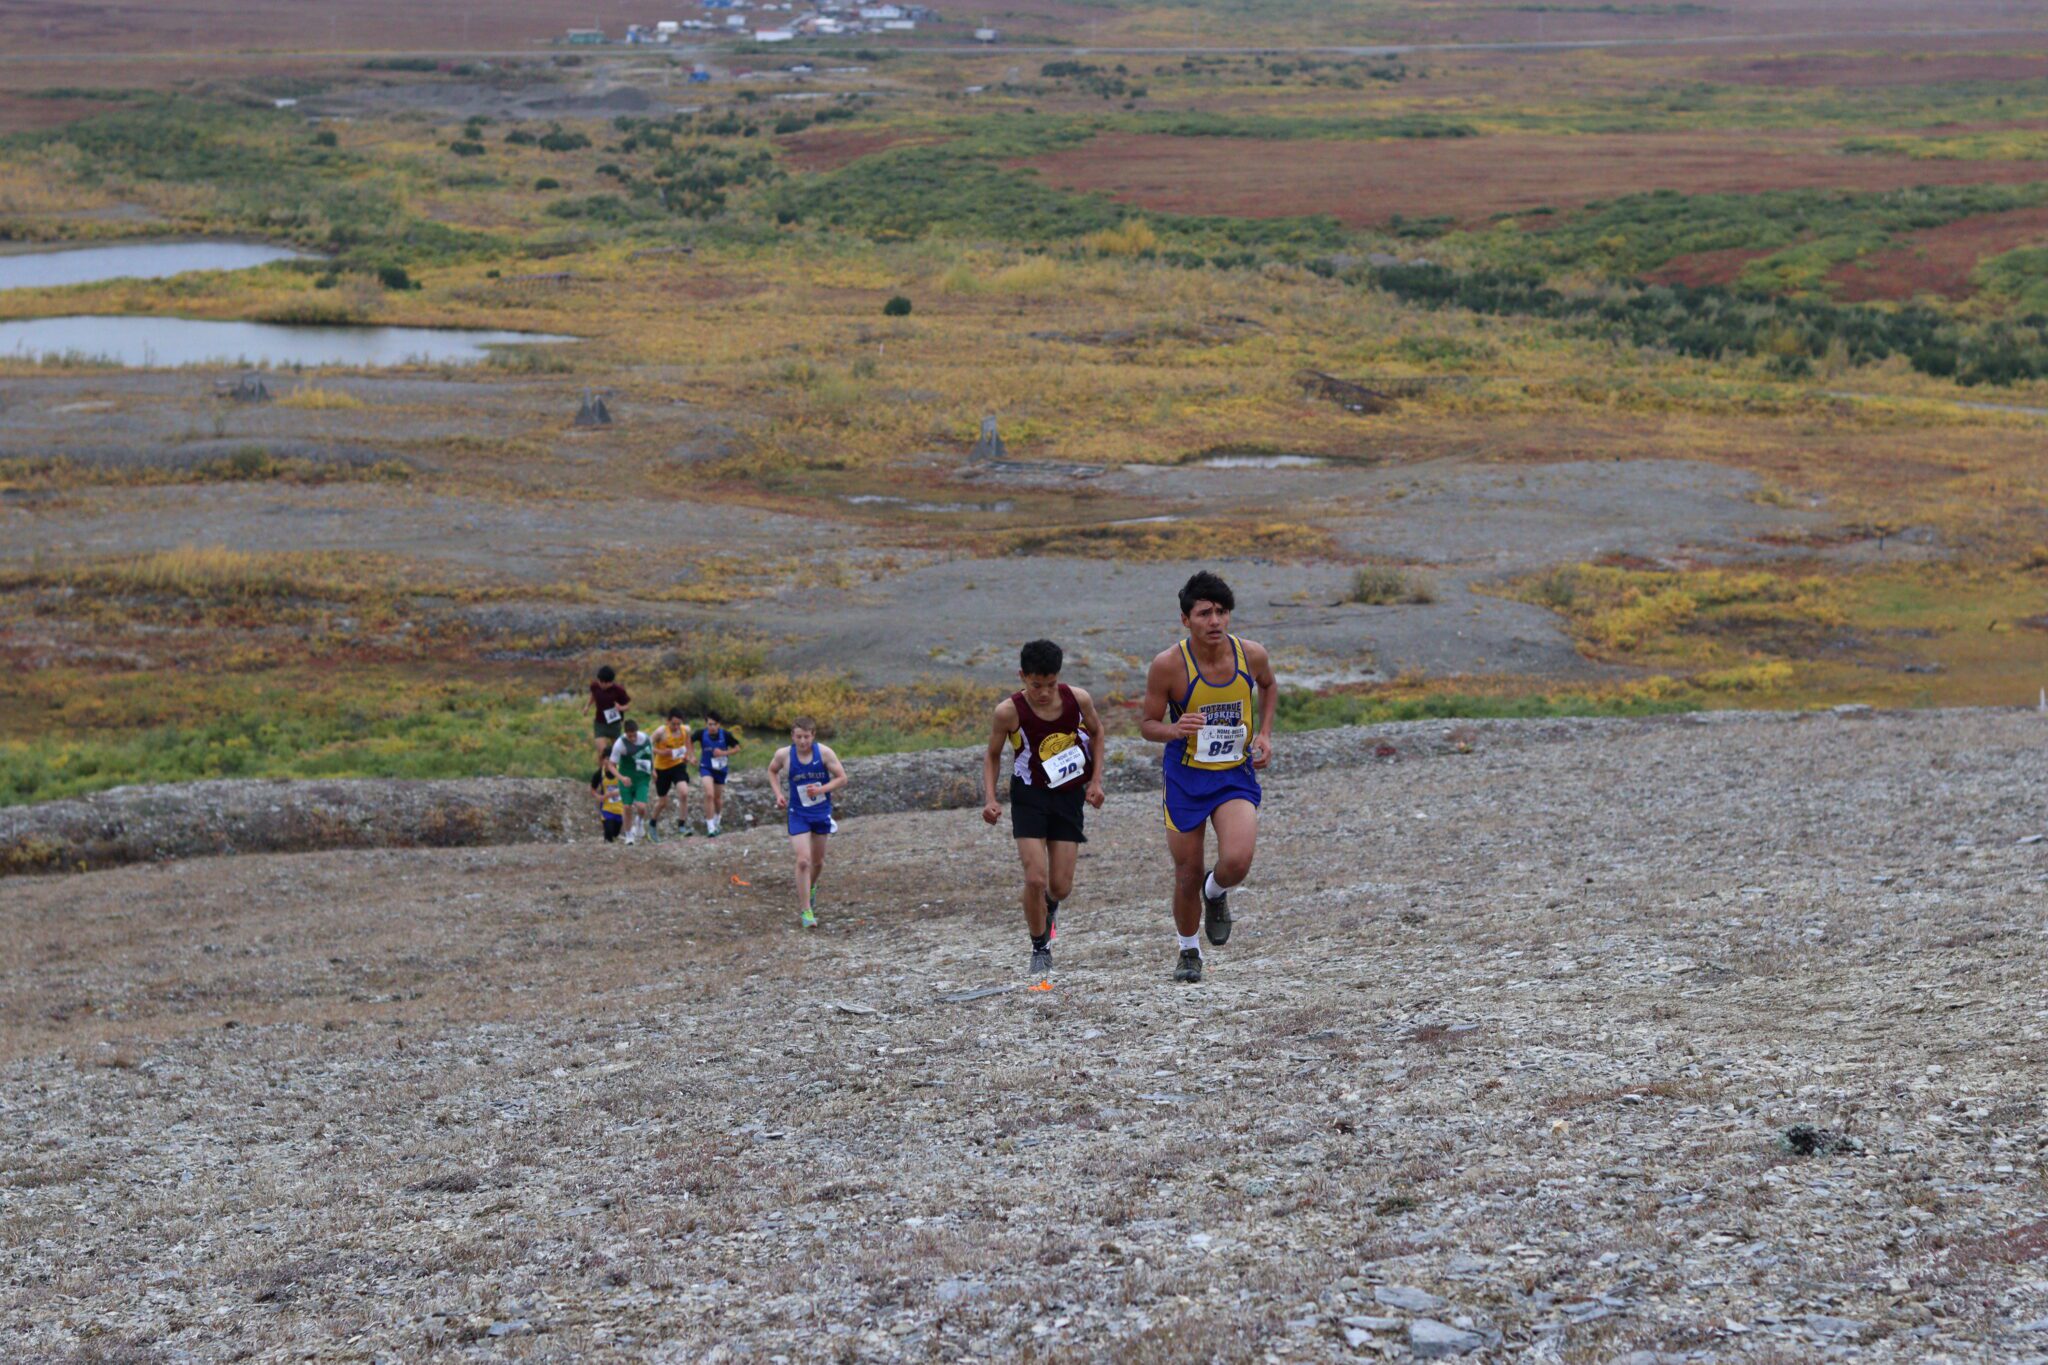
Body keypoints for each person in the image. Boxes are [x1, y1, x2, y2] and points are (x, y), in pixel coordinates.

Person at [1138, 570, 1277, 983]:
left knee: (1236, 860)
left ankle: (1216, 893)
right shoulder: (1168, 666)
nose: (1214, 621)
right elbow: (1147, 724)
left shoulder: (1251, 655)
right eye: (1204, 614)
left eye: (1221, 612)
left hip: (1233, 774)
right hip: (1186, 779)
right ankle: (1188, 952)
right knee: (1186, 873)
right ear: (1186, 620)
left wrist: (1265, 733)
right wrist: (1174, 729)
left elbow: (1269, 687)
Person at [981, 638, 1106, 979]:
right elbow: (992, 755)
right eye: (1036, 685)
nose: (1044, 693)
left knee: (1061, 886)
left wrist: (1095, 781)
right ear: (1022, 677)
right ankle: (1040, 946)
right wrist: (991, 799)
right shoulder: (1008, 712)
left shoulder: (1077, 699)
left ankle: (1048, 909)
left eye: (1051, 685)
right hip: (1030, 797)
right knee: (1035, 877)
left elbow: (1097, 734)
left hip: (1068, 796)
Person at [768, 716, 847, 929]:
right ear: (792, 736)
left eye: (806, 737)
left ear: (813, 735)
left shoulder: (824, 753)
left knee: (818, 862)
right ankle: (806, 911)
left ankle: (811, 887)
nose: (803, 742)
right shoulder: (784, 755)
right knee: (803, 860)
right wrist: (778, 794)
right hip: (798, 812)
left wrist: (821, 789)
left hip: (820, 811)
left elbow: (842, 777)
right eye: (799, 737)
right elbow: (772, 771)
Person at [605, 717, 656, 845]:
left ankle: (639, 821)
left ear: (637, 732)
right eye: (629, 736)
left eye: (634, 735)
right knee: (627, 807)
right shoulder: (619, 744)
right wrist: (621, 778)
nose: (632, 738)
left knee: (641, 806)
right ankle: (629, 835)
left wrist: (654, 770)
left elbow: (650, 756)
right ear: (625, 733)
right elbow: (610, 765)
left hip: (642, 776)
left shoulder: (645, 738)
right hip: (626, 776)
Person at [647, 709, 694, 841]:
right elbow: (647, 746)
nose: (676, 727)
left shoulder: (686, 729)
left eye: (679, 724)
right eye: (673, 724)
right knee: (663, 802)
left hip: (677, 765)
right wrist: (660, 753)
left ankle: (682, 827)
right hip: (661, 768)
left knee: (684, 793)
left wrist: (688, 755)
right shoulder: (660, 732)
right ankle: (652, 825)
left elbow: (688, 741)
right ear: (668, 722)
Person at [583, 665, 630, 791]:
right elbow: (593, 695)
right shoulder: (595, 686)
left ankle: (617, 778)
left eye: (606, 683)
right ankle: (602, 778)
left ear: (611, 682)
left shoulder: (619, 690)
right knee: (603, 752)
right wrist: (587, 706)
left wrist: (621, 708)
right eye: (601, 682)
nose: (602, 685)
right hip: (600, 724)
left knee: (617, 753)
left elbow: (627, 706)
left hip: (615, 724)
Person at [697, 711, 741, 836]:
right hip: (706, 767)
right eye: (709, 724)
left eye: (714, 724)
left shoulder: (726, 735)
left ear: (718, 725)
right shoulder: (701, 733)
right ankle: (710, 826)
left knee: (717, 798)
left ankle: (717, 818)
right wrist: (690, 755)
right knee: (709, 794)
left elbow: (737, 748)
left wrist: (723, 753)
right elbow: (689, 739)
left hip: (721, 769)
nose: (711, 727)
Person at [597, 778, 626, 843]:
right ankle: (607, 841)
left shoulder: (622, 772)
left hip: (619, 810)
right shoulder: (602, 773)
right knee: (609, 830)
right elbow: (594, 787)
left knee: (615, 833)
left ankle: (611, 840)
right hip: (607, 809)